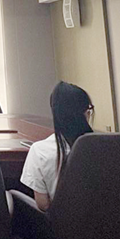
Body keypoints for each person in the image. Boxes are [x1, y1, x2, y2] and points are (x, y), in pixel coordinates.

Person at [19, 82, 93, 211]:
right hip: (105, 222)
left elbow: (43, 205)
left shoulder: (39, 151)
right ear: (87, 113)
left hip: (61, 223)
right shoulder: (103, 148)